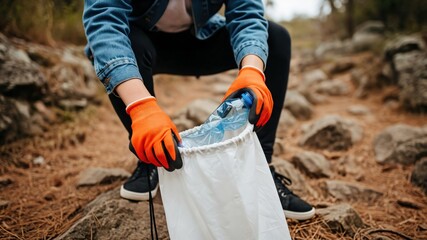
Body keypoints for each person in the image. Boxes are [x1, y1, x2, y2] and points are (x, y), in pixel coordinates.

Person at [83, 0, 315, 221]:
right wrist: (141, 107)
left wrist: (252, 71)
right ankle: (150, 159)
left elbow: (247, 13)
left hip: (201, 40)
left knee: (276, 37)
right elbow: (104, 20)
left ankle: (259, 168)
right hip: (143, 44)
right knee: (122, 42)